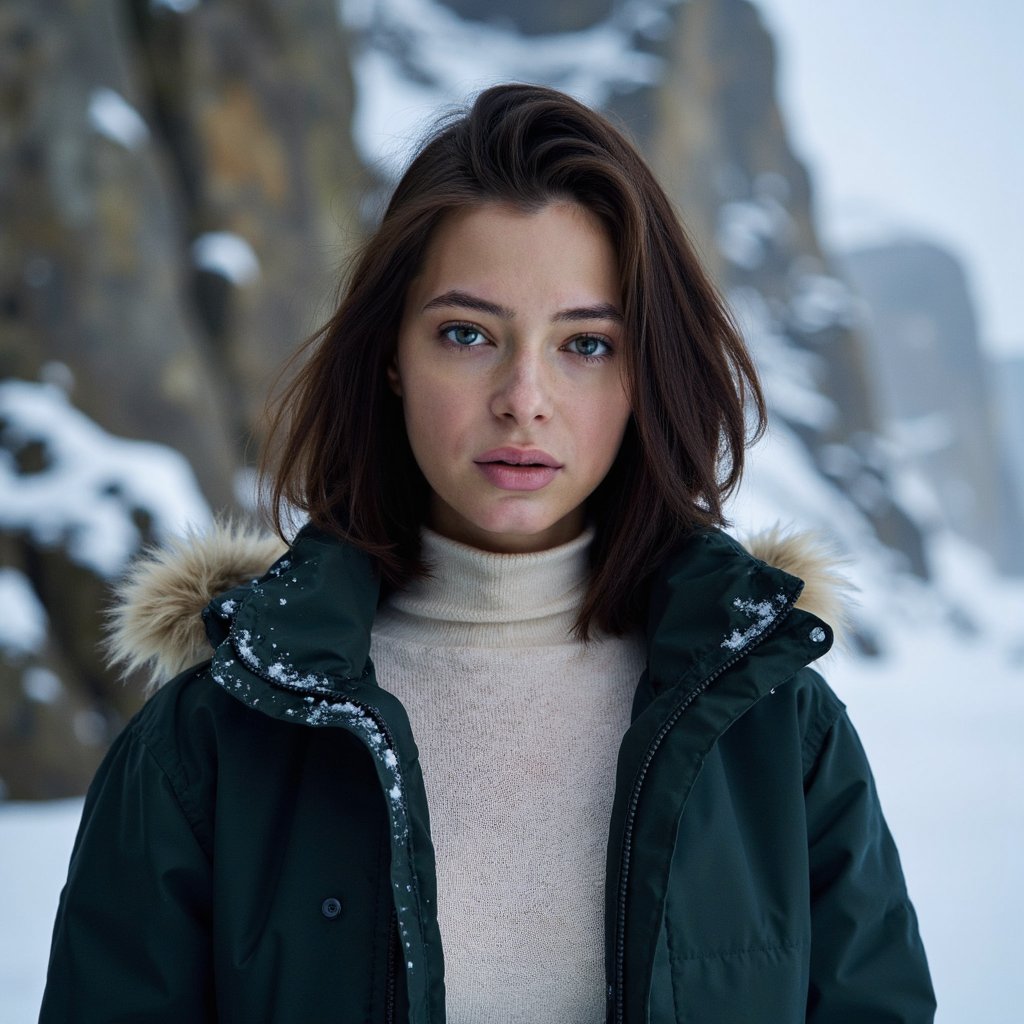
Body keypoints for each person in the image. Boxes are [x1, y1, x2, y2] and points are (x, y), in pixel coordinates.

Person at [40, 84, 935, 1023]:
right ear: (392, 355)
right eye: (467, 334)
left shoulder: (778, 729)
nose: (524, 398)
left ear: (644, 373)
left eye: (586, 344)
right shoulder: (211, 744)